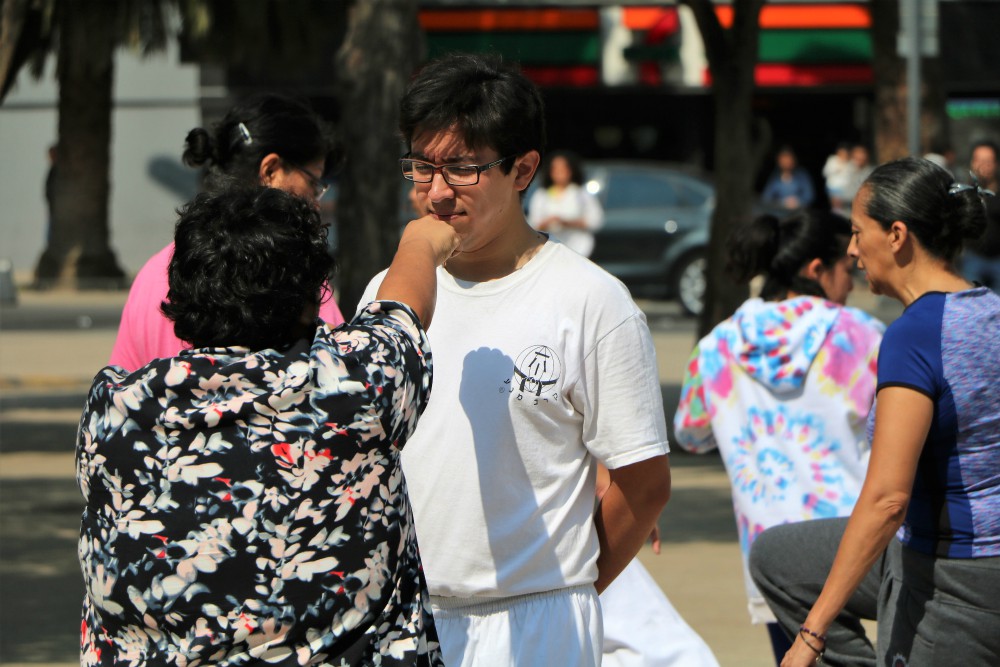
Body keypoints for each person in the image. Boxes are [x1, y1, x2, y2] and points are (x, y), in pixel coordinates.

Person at [358, 53, 672, 667]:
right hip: (399, 615)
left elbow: (645, 483)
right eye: (422, 167)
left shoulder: (591, 301)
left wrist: (567, 588)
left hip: (535, 623)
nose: (438, 192)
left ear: (523, 169)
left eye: (463, 169)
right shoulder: (383, 295)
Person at [78, 185, 460, 665]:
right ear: (307, 302)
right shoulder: (354, 386)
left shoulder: (111, 407)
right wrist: (420, 243)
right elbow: (401, 313)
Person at [750, 157, 1000, 667]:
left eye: (859, 232)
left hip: (957, 574)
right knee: (778, 558)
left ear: (897, 235)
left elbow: (887, 500)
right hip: (936, 548)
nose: (851, 249)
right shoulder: (990, 308)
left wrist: (811, 636)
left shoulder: (915, 335)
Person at [672, 210, 884, 664]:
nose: (851, 283)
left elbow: (689, 433)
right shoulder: (861, 335)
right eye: (846, 270)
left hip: (770, 558)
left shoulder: (717, 345)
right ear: (816, 270)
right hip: (860, 549)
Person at [108, 94, 345, 372]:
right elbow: (334, 376)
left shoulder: (151, 274)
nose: (316, 202)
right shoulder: (291, 274)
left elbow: (125, 387)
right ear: (271, 171)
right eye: (314, 183)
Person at [527, 150, 604, 257]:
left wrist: (568, 223)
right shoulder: (542, 195)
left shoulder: (581, 194)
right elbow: (533, 223)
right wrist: (547, 223)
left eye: (563, 168)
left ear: (571, 170)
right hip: (550, 251)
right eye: (555, 169)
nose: (559, 172)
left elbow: (596, 221)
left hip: (579, 249)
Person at [960, 139, 1000, 288]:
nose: (983, 165)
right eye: (979, 160)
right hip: (972, 258)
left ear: (996, 164)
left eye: (988, 161)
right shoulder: (965, 193)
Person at [761, 146, 815, 211]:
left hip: (799, 212)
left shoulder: (802, 175)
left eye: (788, 159)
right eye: (783, 160)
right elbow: (766, 197)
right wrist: (783, 202)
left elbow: (809, 195)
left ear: (793, 160)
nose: (786, 163)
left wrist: (797, 201)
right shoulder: (775, 177)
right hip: (780, 212)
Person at [823, 142, 852, 214]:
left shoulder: (850, 163)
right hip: (833, 187)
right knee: (836, 207)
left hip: (846, 189)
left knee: (845, 207)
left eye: (845, 154)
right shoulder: (832, 160)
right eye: (841, 153)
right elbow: (824, 173)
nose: (843, 155)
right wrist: (836, 169)